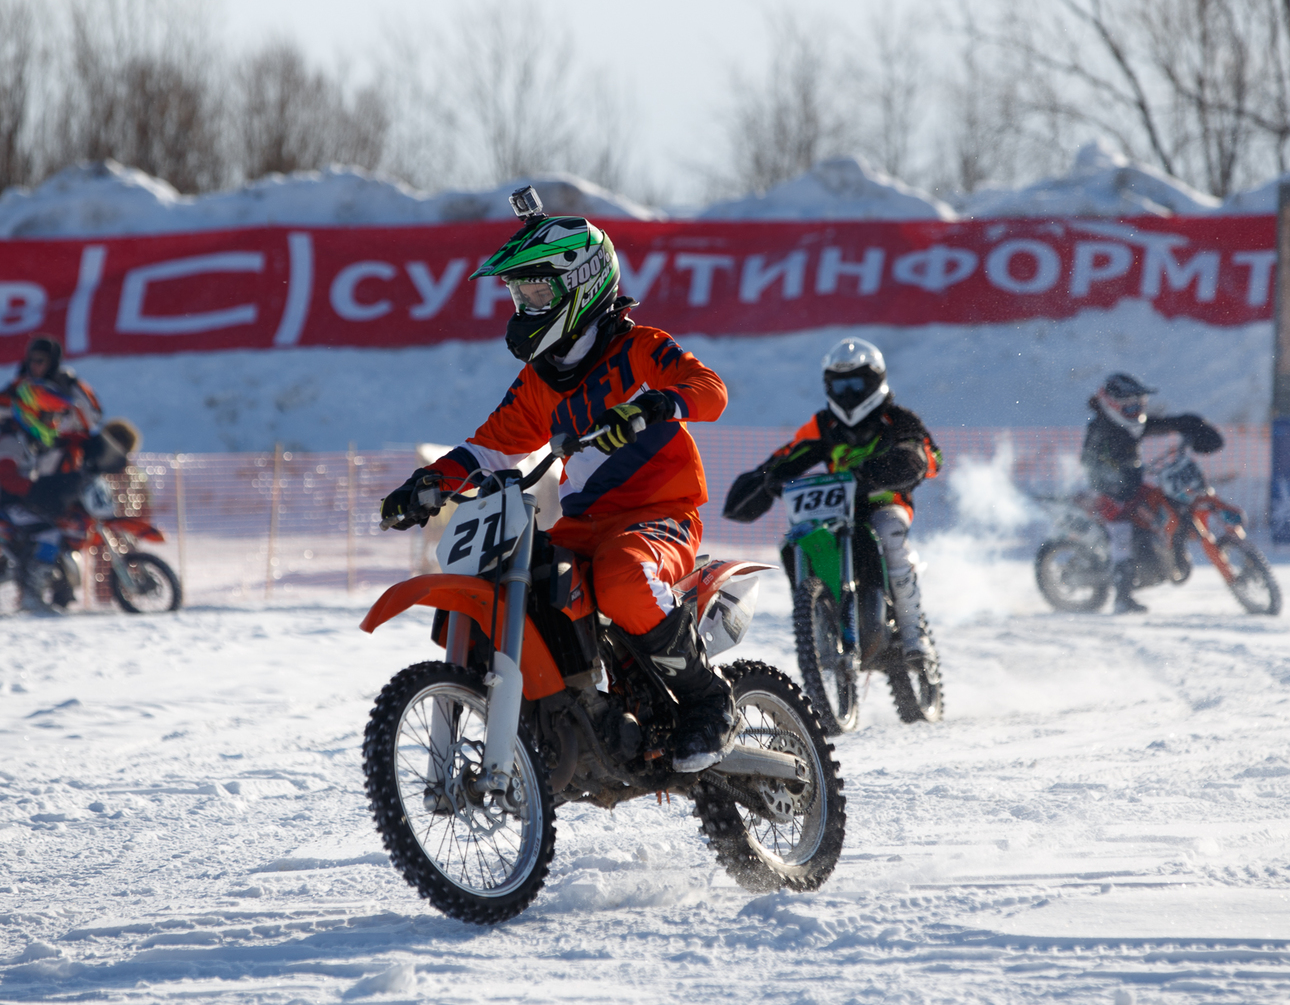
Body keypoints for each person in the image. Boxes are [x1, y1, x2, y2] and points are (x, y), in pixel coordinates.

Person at [379, 190, 733, 772]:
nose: (525, 305)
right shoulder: (540, 381)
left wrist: (654, 406)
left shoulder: (640, 348)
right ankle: (569, 710)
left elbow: (710, 391)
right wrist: (428, 482)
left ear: (583, 284)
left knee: (621, 578)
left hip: (661, 515)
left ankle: (707, 700)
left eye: (538, 293)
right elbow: (489, 447)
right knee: (528, 579)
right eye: (519, 294)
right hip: (583, 525)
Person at [723, 337, 942, 674]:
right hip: (837, 510)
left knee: (888, 532)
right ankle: (819, 619)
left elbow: (928, 455)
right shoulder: (824, 424)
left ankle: (915, 637)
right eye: (840, 385)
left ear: (875, 382)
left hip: (885, 503)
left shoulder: (897, 419)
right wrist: (765, 479)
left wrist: (902, 462)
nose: (848, 393)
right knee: (797, 539)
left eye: (856, 384)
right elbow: (790, 454)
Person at [1080, 373, 1224, 614]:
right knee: (1122, 534)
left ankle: (1171, 554)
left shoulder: (1132, 424)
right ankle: (1122, 597)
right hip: (1108, 493)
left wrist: (1193, 424)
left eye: (1140, 405)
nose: (1136, 411)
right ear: (1112, 405)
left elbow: (1164, 424)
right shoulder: (1100, 430)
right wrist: (1113, 479)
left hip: (1133, 486)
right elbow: (1090, 465)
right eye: (1130, 407)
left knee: (1168, 503)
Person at [0, 380, 90, 611]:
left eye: (56, 418)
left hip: (24, 504)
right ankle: (31, 595)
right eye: (49, 418)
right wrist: (37, 489)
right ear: (32, 414)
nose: (54, 424)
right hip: (11, 507)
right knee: (50, 533)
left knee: (59, 527)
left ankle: (58, 587)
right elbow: (8, 479)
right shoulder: (10, 441)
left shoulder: (26, 440)